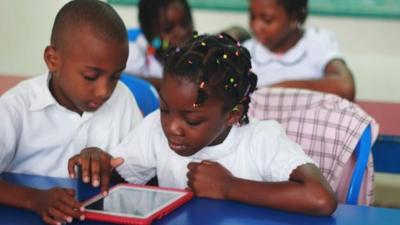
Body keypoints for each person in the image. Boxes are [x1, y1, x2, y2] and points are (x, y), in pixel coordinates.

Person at [69, 33, 337, 216]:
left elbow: (321, 198)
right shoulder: (154, 129)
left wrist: (228, 187)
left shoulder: (261, 139)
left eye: (192, 119)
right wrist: (97, 163)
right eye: (165, 109)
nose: (172, 127)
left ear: (233, 114)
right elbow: (119, 183)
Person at [0, 0, 143, 224]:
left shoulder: (122, 98)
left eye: (115, 77)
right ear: (53, 60)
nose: (105, 91)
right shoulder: (16, 108)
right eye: (90, 76)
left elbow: (145, 172)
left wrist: (108, 166)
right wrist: (35, 199)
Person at [243, 0, 355, 101]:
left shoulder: (317, 41)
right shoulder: (246, 51)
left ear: (294, 17)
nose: (256, 26)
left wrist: (279, 90)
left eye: (267, 20)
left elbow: (345, 87)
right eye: (252, 17)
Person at [124, 0, 194, 90]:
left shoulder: (196, 52)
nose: (182, 33)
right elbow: (123, 80)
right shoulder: (133, 52)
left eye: (185, 23)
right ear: (150, 33)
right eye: (168, 29)